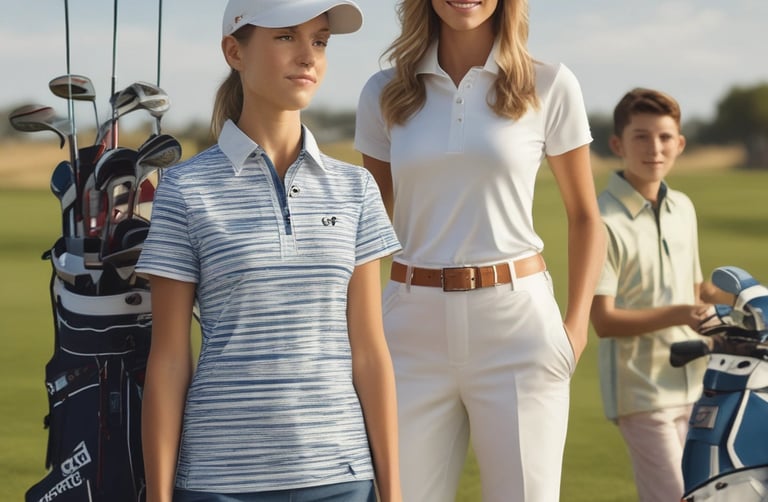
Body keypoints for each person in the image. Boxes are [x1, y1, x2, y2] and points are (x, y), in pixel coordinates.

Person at [136, 1, 403, 501]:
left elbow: (369, 352)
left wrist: (393, 492)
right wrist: (159, 494)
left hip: (339, 477)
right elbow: (170, 358)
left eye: (319, 41)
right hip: (219, 481)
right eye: (286, 37)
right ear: (234, 51)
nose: (308, 56)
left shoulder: (356, 189)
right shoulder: (185, 190)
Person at [354, 1, 605, 500]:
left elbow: (586, 218)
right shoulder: (384, 91)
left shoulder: (550, 83)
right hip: (408, 329)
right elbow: (371, 224)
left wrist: (574, 332)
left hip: (518, 327)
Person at [590, 88, 727, 502]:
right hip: (642, 394)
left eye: (665, 137)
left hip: (698, 387)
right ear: (618, 145)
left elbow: (696, 288)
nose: (655, 148)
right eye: (641, 137)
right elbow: (603, 319)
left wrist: (744, 298)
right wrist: (683, 313)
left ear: (680, 144)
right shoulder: (600, 221)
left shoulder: (683, 207)